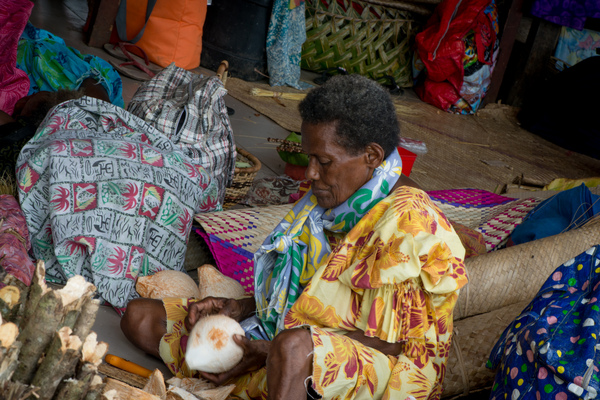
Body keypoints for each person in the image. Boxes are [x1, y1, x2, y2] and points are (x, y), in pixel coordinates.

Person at [121, 74, 468, 399]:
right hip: (289, 343)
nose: (311, 174)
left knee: (291, 349)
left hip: (378, 373)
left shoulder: (408, 222)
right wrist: (239, 308)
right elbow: (311, 299)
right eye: (309, 158)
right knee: (141, 317)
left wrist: (271, 351)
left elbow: (391, 346)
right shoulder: (331, 200)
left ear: (372, 156)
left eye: (323, 161)